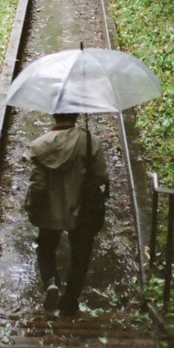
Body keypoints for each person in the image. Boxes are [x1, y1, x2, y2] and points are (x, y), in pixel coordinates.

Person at [24, 113, 109, 316]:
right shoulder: (90, 141)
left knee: (45, 246)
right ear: (76, 115)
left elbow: (38, 184)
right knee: (80, 256)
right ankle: (70, 301)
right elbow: (101, 175)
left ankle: (51, 282)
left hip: (50, 210)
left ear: (54, 115)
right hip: (82, 210)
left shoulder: (40, 144)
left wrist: (32, 206)